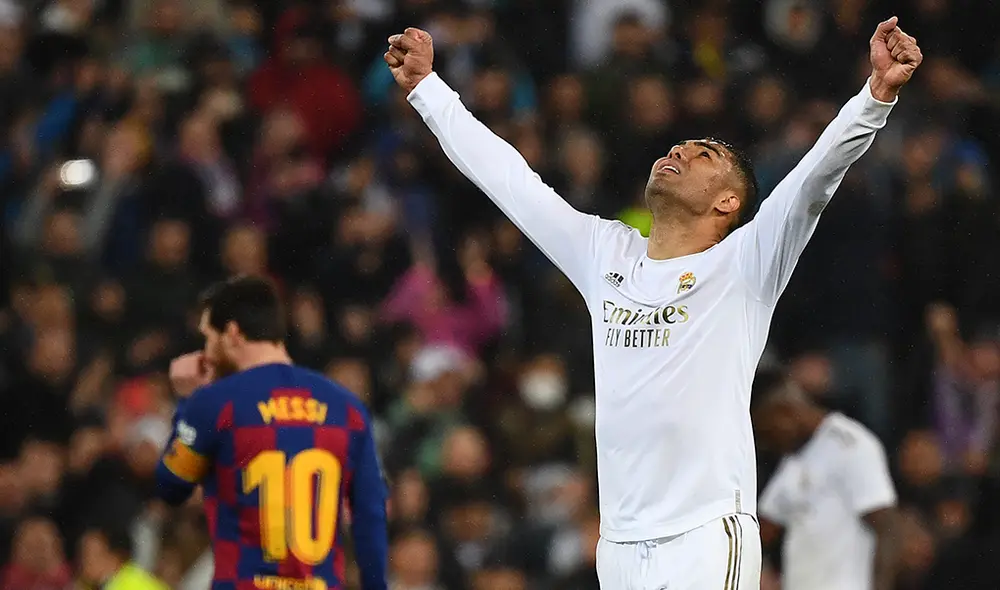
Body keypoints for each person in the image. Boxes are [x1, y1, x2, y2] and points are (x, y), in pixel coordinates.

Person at [383, 16, 922, 590]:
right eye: (680, 145)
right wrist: (428, 90)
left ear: (728, 202)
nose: (681, 151)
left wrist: (877, 95)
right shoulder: (604, 253)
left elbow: (817, 175)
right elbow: (509, 180)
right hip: (618, 546)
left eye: (704, 154)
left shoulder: (745, 263)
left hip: (705, 535)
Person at [154, 276, 389, 590]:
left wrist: (186, 401)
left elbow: (171, 486)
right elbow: (370, 517)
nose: (206, 354)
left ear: (233, 334)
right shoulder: (347, 409)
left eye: (209, 338)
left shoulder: (216, 403)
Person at [751, 369, 898, 590]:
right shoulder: (794, 459)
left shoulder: (851, 445)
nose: (766, 443)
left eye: (767, 432)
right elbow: (764, 529)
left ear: (784, 413)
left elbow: (887, 528)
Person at [77, 524, 169, 590]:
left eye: (89, 554)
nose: (83, 561)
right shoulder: (127, 578)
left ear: (114, 556)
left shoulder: (132, 585)